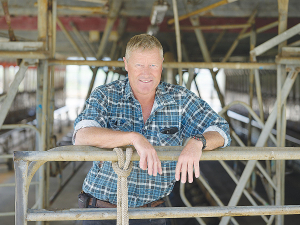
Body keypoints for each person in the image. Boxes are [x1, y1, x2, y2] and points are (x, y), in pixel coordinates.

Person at [73, 34, 231, 225]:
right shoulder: (105, 95)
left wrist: (197, 142)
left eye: (153, 65)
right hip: (101, 212)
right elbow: (82, 135)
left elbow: (221, 129)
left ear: (162, 64)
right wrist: (133, 138)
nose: (146, 73)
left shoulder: (180, 99)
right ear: (126, 64)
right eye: (139, 65)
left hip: (152, 215)